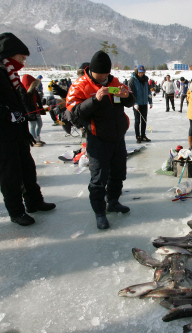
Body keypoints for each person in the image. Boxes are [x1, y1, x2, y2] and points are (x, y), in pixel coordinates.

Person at [0, 32, 56, 226]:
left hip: (16, 132)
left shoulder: (10, 73)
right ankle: (16, 212)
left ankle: (34, 202)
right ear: (7, 55)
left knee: (28, 169)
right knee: (11, 175)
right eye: (20, 57)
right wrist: (5, 112)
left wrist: (24, 129)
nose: (23, 62)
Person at [66, 50, 136, 230]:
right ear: (92, 71)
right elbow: (74, 113)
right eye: (101, 74)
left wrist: (126, 96)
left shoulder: (114, 82)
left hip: (118, 137)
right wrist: (95, 100)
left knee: (118, 174)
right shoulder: (80, 85)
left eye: (107, 74)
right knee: (98, 178)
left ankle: (113, 201)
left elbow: (130, 101)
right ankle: (100, 212)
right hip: (98, 139)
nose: (105, 77)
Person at [128, 65, 152, 143]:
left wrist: (150, 101)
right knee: (137, 121)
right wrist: (134, 103)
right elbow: (131, 92)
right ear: (137, 71)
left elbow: (148, 91)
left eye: (142, 72)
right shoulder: (132, 80)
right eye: (140, 72)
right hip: (137, 104)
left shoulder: (145, 79)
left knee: (144, 120)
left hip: (144, 103)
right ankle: (138, 136)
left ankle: (143, 135)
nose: (141, 74)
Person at [22, 74, 46, 147]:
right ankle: (34, 140)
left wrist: (41, 106)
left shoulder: (34, 91)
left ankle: (37, 138)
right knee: (33, 125)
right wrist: (30, 113)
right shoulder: (25, 92)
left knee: (40, 124)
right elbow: (25, 104)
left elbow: (38, 100)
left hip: (37, 111)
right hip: (31, 112)